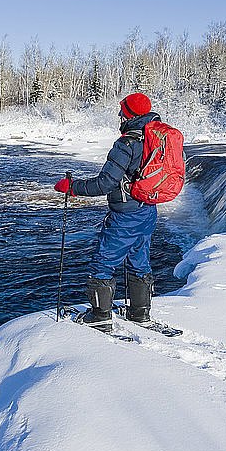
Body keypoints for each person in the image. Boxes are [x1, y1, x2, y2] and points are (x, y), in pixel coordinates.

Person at [54, 92, 160, 327]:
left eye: (123, 112)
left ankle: (100, 317)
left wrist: (72, 187)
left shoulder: (126, 144)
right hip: (148, 210)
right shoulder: (156, 139)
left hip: (125, 214)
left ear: (130, 115)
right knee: (139, 260)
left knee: (103, 262)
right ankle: (139, 313)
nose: (120, 116)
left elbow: (105, 183)